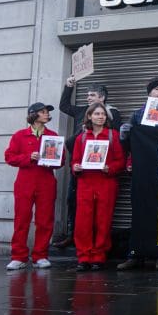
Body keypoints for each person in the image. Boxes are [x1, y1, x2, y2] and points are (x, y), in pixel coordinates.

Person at [117, 76, 158, 271]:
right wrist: (125, 135)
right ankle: (136, 254)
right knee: (140, 212)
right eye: (157, 89)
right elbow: (128, 145)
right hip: (143, 170)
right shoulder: (138, 115)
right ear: (149, 94)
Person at [54, 79, 121, 249]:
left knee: (101, 212)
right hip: (80, 169)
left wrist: (110, 168)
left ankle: (98, 247)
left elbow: (116, 141)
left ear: (102, 97)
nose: (88, 98)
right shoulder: (82, 111)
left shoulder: (112, 114)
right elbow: (63, 106)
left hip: (102, 173)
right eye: (87, 95)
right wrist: (69, 85)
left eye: (92, 95)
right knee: (72, 200)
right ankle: (72, 234)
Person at [4, 103, 63, 270]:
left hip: (46, 182)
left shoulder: (53, 136)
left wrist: (54, 160)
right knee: (21, 220)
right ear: (33, 115)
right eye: (43, 112)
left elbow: (61, 161)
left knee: (45, 220)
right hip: (25, 182)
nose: (46, 114)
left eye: (47, 112)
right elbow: (9, 157)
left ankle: (40, 256)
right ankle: (18, 256)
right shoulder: (20, 136)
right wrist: (28, 157)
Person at [72, 103, 125, 271]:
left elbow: (121, 161)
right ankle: (83, 256)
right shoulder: (81, 137)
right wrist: (75, 168)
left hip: (106, 183)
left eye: (103, 114)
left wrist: (111, 168)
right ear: (89, 116)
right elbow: (74, 160)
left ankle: (99, 256)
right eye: (97, 114)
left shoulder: (113, 135)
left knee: (103, 221)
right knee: (83, 222)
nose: (100, 117)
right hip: (85, 183)